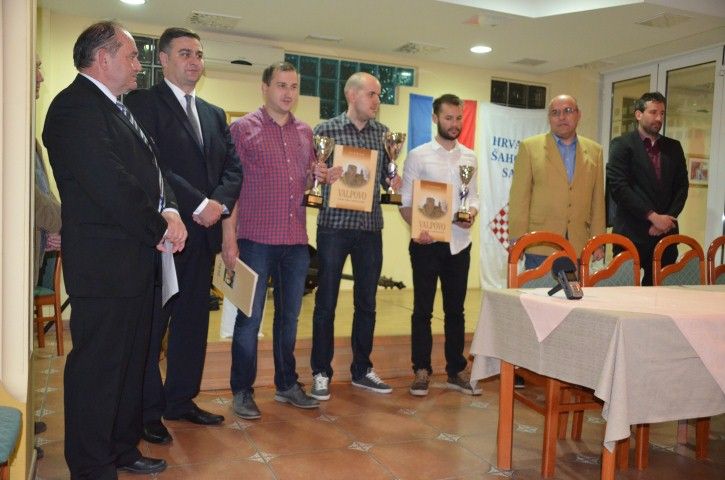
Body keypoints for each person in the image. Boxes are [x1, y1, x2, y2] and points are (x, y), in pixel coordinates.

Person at [42, 21, 187, 478]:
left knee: (129, 366)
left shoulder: (117, 108)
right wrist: (158, 227)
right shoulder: (73, 108)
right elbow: (111, 185)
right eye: (131, 55)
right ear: (103, 59)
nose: (138, 64)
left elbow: (154, 171)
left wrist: (171, 211)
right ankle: (92, 465)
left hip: (135, 263)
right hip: (105, 267)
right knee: (99, 371)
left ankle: (122, 449)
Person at [125, 27, 243, 444]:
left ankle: (180, 400)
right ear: (163, 59)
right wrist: (199, 203)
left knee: (193, 321)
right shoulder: (142, 104)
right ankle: (146, 410)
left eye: (199, 54)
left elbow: (233, 169)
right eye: (185, 53)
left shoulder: (214, 114)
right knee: (154, 324)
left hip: (204, 237)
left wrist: (218, 204)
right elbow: (152, 165)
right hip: (166, 234)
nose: (195, 61)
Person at [223, 62, 338, 419]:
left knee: (289, 320)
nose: (288, 93)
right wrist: (228, 238)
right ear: (264, 88)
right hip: (254, 240)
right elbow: (231, 189)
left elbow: (305, 185)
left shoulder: (306, 133)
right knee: (249, 320)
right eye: (281, 85)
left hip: (295, 242)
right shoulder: (242, 129)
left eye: (293, 86)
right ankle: (242, 391)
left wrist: (319, 176)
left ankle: (286, 385)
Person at [309, 72, 401, 400]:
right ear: (352, 95)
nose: (377, 101)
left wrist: (394, 181)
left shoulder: (383, 135)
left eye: (379, 95)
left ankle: (362, 370)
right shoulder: (325, 130)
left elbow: (387, 180)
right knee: (326, 303)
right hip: (333, 227)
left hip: (369, 229)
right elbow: (312, 177)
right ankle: (321, 372)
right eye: (371, 94)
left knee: (367, 303)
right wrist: (321, 175)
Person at [399, 94, 481, 396]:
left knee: (455, 310)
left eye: (458, 118)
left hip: (459, 244)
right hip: (426, 244)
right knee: (422, 309)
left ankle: (456, 371)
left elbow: (473, 197)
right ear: (435, 118)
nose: (454, 124)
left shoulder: (470, 157)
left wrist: (471, 214)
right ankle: (421, 370)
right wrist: (418, 227)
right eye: (448, 118)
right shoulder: (418, 156)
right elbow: (406, 202)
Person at [508, 94, 605, 268]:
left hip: (578, 245)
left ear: (578, 115)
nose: (561, 117)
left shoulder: (595, 151)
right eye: (555, 112)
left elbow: (597, 201)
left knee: (576, 287)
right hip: (539, 244)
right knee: (537, 287)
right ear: (549, 118)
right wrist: (517, 237)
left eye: (568, 111)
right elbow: (519, 197)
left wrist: (598, 241)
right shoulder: (529, 147)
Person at [607, 92, 688, 286]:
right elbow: (619, 188)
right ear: (638, 114)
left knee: (662, 295)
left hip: (665, 235)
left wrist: (666, 220)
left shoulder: (674, 147)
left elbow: (682, 187)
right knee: (626, 295)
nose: (659, 118)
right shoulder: (621, 145)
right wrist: (652, 217)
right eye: (653, 112)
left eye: (662, 113)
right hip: (630, 234)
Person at [33, 57, 61, 287]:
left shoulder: (30, 140)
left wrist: (48, 232)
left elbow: (43, 192)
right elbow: (27, 195)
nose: (40, 77)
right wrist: (62, 223)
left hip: (34, 251)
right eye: (34, 68)